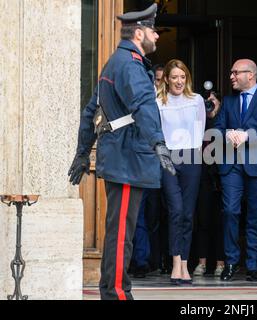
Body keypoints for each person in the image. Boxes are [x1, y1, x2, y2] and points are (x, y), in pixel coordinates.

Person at [68, 4, 175, 300]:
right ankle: (116, 294)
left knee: (120, 231)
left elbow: (91, 111)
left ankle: (114, 290)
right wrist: (158, 143)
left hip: (120, 156)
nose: (156, 35)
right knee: (121, 235)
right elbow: (143, 104)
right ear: (139, 33)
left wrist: (81, 152)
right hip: (129, 157)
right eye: (153, 30)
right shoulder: (129, 64)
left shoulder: (114, 62)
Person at [215, 59, 257, 282]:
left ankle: (254, 266)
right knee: (230, 212)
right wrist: (228, 134)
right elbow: (217, 128)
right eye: (231, 72)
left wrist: (248, 136)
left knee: (255, 217)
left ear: (250, 75)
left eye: (236, 73)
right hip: (231, 166)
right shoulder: (228, 100)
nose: (231, 77)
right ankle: (231, 262)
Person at [157, 59, 206, 285]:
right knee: (175, 210)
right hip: (167, 158)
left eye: (183, 77)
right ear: (166, 79)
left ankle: (185, 264)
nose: (179, 81)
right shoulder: (158, 102)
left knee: (187, 213)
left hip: (191, 157)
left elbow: (200, 130)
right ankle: (176, 263)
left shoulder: (196, 100)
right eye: (174, 77)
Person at [193, 93, 225, 277]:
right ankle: (202, 263)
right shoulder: (199, 122)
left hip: (221, 176)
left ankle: (221, 263)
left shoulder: (223, 120)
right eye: (207, 102)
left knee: (221, 221)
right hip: (203, 176)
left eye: (213, 101)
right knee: (202, 220)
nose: (209, 105)